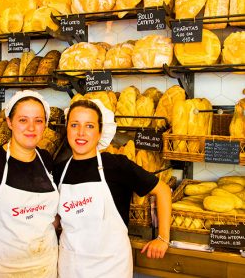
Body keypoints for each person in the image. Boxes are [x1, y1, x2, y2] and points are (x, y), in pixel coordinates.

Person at [54, 99, 172, 278]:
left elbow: (162, 190)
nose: (81, 133)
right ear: (67, 129)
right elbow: (56, 218)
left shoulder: (117, 166)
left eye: (90, 126)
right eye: (74, 124)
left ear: (101, 132)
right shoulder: (59, 170)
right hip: (71, 265)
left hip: (111, 267)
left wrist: (163, 238)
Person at [0, 90, 59, 278]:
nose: (31, 127)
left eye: (38, 121)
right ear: (9, 122)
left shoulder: (46, 160)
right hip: (1, 271)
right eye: (23, 120)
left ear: (45, 125)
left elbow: (49, 216)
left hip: (45, 268)